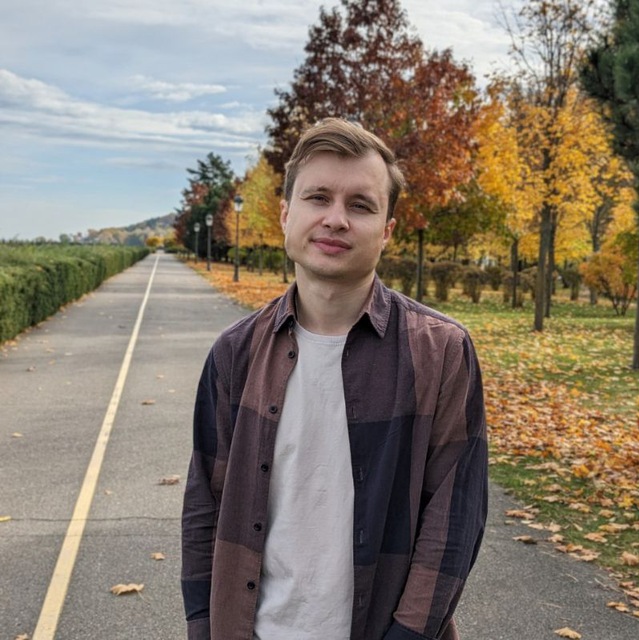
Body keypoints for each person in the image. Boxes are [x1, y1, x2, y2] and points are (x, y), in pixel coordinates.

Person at [181, 118, 488, 640]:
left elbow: (454, 517)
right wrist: (203, 625)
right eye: (318, 197)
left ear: (387, 230)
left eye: (361, 205)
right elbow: (204, 506)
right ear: (286, 214)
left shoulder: (441, 352)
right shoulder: (234, 353)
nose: (336, 219)